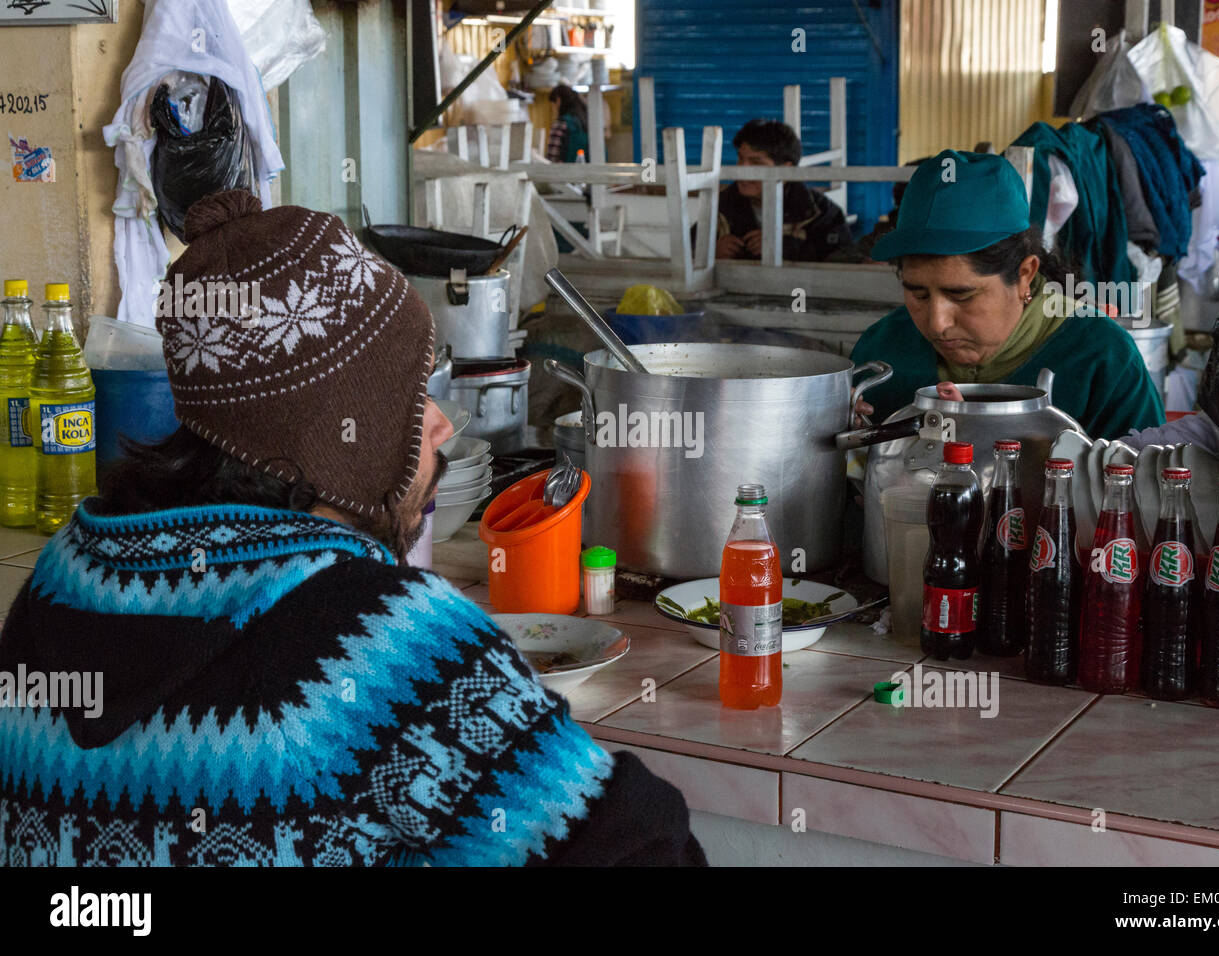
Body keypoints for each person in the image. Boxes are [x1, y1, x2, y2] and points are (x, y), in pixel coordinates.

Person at [0, 190, 706, 867]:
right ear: (340, 436)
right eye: (410, 396)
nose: (438, 426)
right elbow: (639, 851)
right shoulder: (374, 642)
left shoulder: (62, 579)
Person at [850, 149, 1165, 441]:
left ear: (1025, 274)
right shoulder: (881, 351)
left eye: (961, 295)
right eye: (917, 293)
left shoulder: (1102, 358)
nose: (937, 324)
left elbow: (1148, 482)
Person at [715, 119, 852, 262]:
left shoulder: (819, 211)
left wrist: (788, 248)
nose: (742, 169)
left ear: (786, 169)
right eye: (740, 159)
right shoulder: (721, 206)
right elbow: (692, 249)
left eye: (756, 162)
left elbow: (844, 262)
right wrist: (711, 252)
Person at [545, 84, 588, 164]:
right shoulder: (584, 120)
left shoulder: (561, 123)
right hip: (587, 171)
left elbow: (552, 158)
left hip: (565, 173)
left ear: (558, 100)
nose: (553, 108)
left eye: (553, 104)